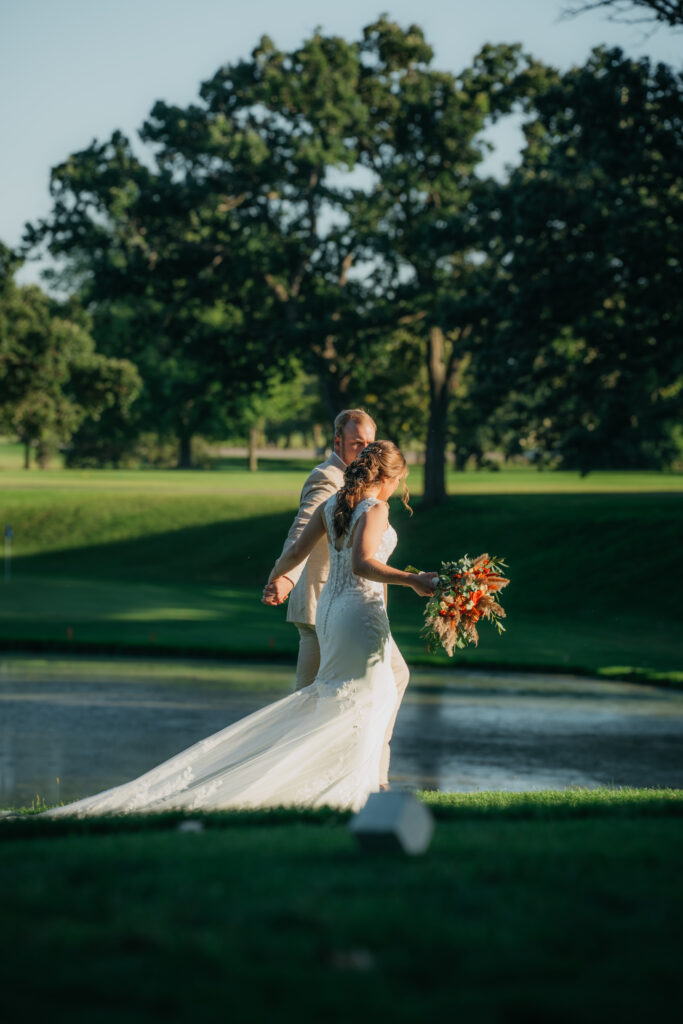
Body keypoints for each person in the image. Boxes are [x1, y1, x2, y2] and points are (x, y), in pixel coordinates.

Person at [42, 441, 436, 817]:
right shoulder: (375, 508)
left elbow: (295, 552)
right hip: (359, 612)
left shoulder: (334, 504)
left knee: (343, 697)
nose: (399, 488)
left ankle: (345, 784)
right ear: (389, 476)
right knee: (371, 696)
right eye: (400, 480)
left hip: (331, 613)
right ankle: (353, 789)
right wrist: (414, 580)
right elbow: (363, 564)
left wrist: (275, 579)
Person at [262, 409, 411, 788]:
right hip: (326, 605)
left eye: (369, 445)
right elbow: (301, 536)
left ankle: (368, 775)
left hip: (351, 608)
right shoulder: (326, 480)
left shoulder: (360, 489)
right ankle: (287, 778)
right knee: (310, 701)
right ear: (338, 443)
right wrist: (284, 579)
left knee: (378, 683)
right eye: (358, 443)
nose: (363, 451)